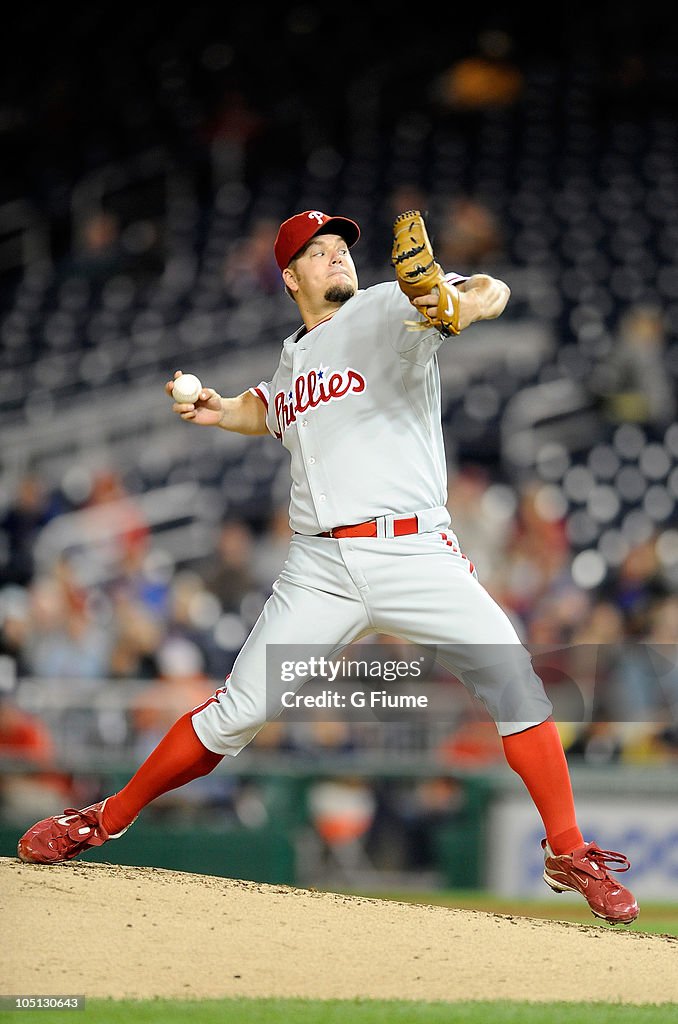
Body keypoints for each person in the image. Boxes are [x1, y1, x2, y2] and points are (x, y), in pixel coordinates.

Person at [17, 209, 638, 925]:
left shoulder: (387, 307)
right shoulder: (294, 358)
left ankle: (568, 849)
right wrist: (223, 411)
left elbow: (487, 291)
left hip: (413, 552)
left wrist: (453, 301)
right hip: (320, 569)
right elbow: (276, 407)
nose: (339, 257)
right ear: (291, 278)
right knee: (235, 714)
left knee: (515, 680)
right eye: (319, 252)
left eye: (342, 246)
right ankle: (106, 817)